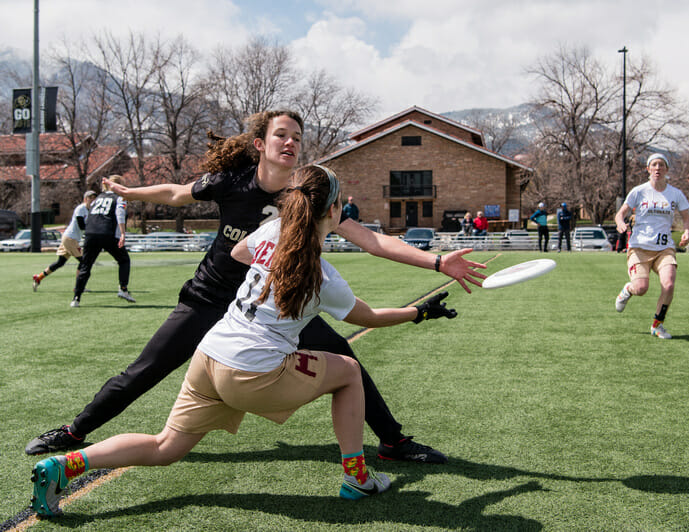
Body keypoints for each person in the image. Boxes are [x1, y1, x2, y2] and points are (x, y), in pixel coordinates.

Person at [25, 110, 485, 464]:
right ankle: (75, 431)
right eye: (282, 135)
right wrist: (130, 194)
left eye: (297, 138)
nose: (290, 143)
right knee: (147, 367)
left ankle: (393, 442)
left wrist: (439, 261)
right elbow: (176, 193)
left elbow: (373, 240)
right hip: (211, 300)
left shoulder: (308, 194)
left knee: (347, 360)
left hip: (275, 305)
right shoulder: (231, 181)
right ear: (260, 144)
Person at [29, 165, 460, 516]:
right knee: (347, 371)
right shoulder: (323, 275)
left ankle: (65, 465)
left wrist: (268, 270)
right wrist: (418, 312)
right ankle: (357, 478)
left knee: (166, 446)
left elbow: (239, 254)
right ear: (332, 212)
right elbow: (370, 317)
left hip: (210, 356)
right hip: (252, 371)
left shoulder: (269, 234)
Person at [613, 153, 689, 339]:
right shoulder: (639, 191)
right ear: (648, 169)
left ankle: (658, 325)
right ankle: (627, 290)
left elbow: (687, 219)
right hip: (639, 248)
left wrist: (687, 232)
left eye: (661, 165)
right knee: (641, 288)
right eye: (654, 165)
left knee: (669, 283)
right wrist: (620, 223)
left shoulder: (675, 194)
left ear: (666, 169)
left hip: (664, 249)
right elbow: (620, 213)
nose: (658, 168)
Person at [70, 176, 135, 308]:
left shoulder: (97, 198)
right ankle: (123, 289)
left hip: (90, 233)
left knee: (86, 265)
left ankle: (76, 298)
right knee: (124, 260)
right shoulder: (119, 198)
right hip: (107, 233)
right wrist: (122, 233)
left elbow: (90, 216)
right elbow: (120, 214)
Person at [32, 190, 97, 291]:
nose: (92, 200)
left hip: (70, 238)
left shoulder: (91, 210)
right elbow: (81, 225)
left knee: (60, 262)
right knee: (84, 262)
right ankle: (78, 287)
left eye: (94, 198)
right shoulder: (81, 208)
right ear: (85, 199)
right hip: (70, 238)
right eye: (90, 198)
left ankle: (39, 277)